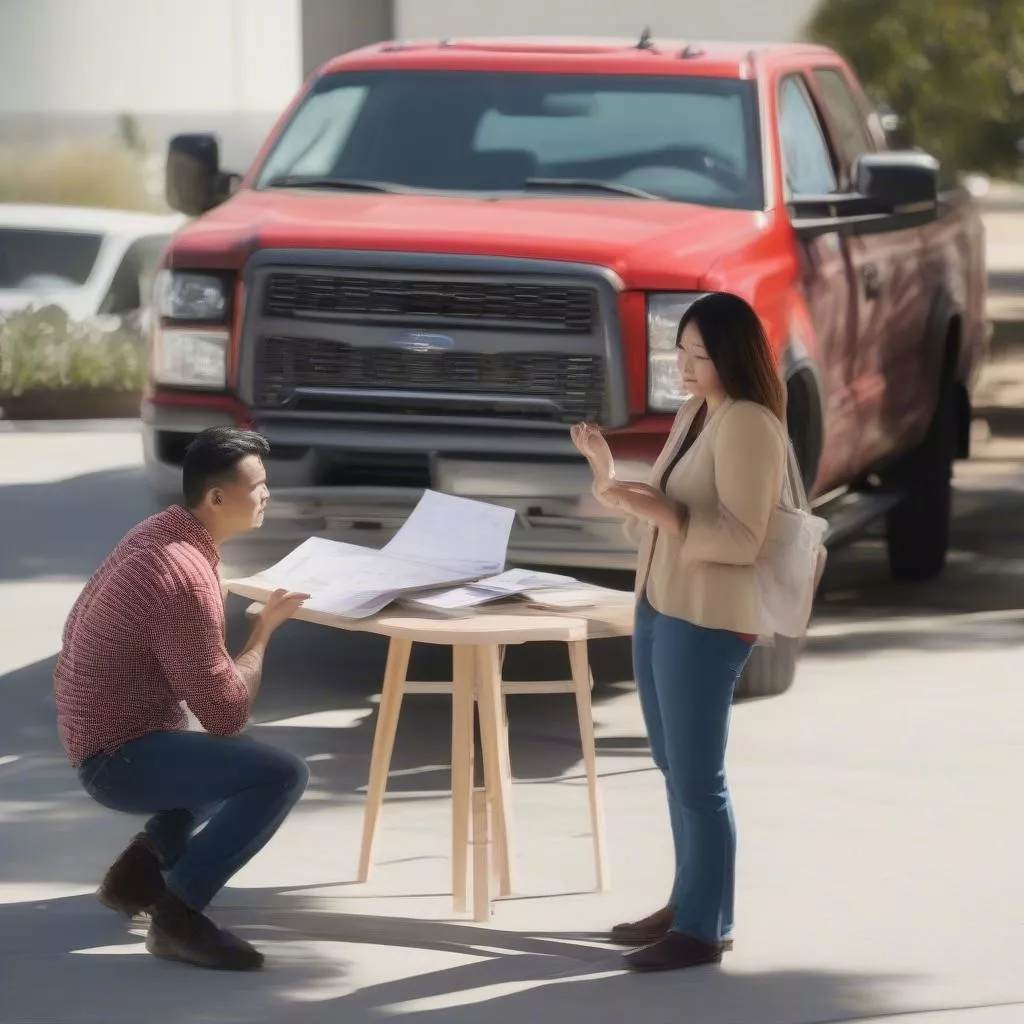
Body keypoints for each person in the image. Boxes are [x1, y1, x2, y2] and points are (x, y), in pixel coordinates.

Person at [572, 292, 788, 973]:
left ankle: (702, 929)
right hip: (661, 605)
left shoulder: (749, 424)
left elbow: (743, 538)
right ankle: (687, 902)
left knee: (698, 778)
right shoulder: (698, 414)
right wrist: (611, 481)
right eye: (681, 352)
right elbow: (659, 517)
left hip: (708, 617)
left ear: (735, 356)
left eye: (701, 355)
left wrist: (661, 511)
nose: (686, 368)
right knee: (672, 767)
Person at [54, 427, 310, 971]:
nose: (268, 495)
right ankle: (180, 913)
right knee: (278, 774)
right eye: (258, 485)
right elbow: (226, 714)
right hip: (118, 759)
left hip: (105, 741)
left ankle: (139, 872)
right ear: (216, 498)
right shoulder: (184, 573)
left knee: (226, 764)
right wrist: (263, 632)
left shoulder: (163, 534)